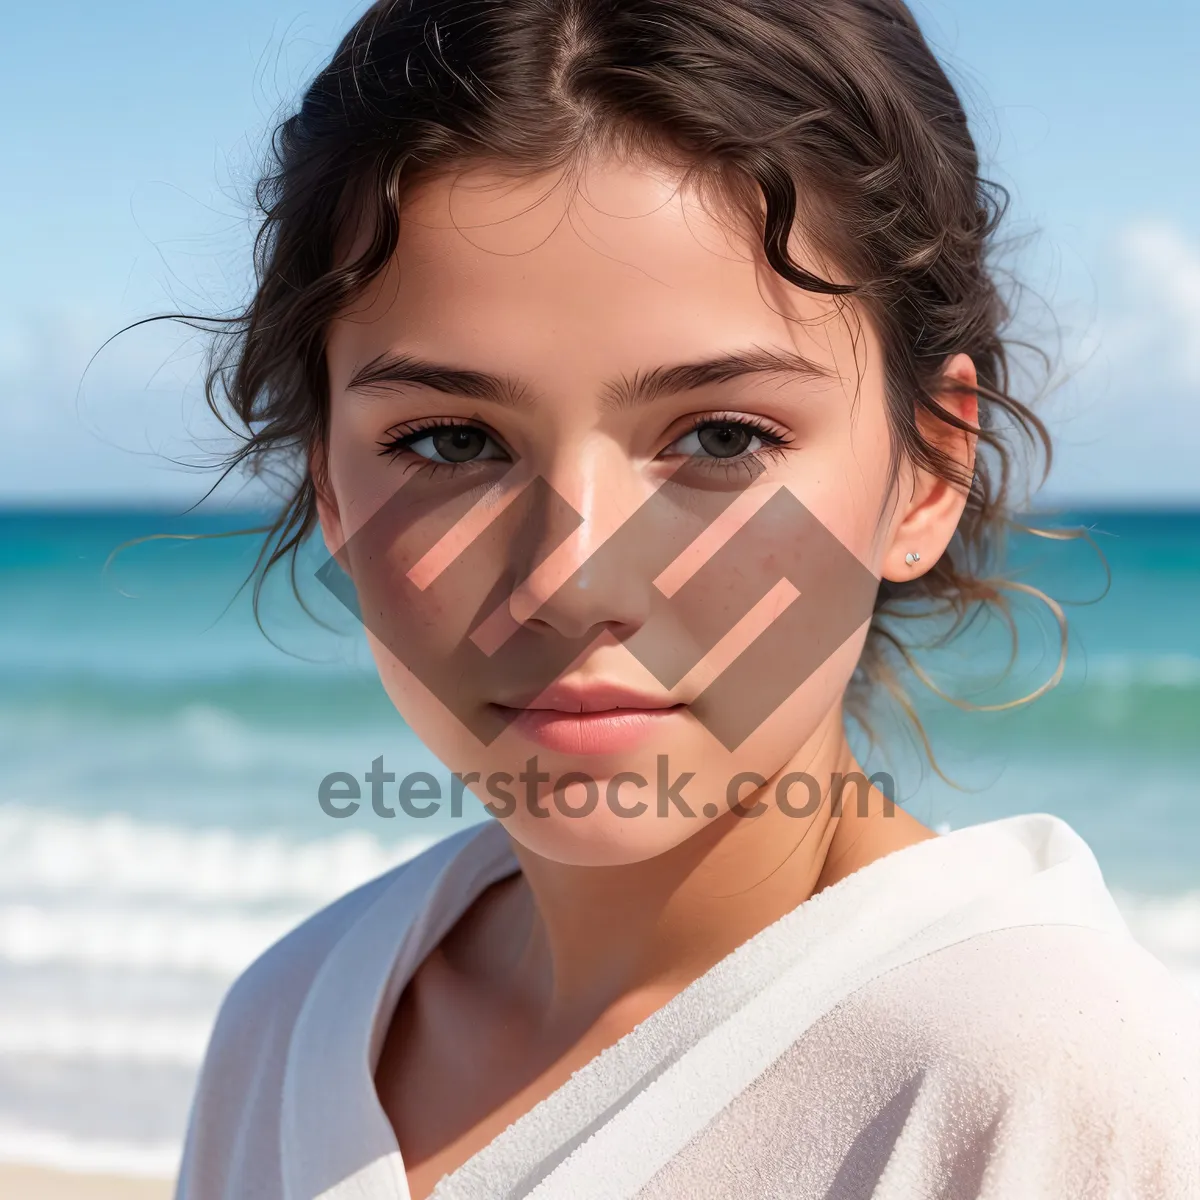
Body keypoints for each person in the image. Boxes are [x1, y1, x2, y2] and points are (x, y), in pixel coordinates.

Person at [173, 1, 1200, 1196]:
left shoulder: (1041, 1086)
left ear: (928, 470)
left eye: (720, 436)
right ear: (332, 495)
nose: (571, 577)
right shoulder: (290, 1022)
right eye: (452, 441)